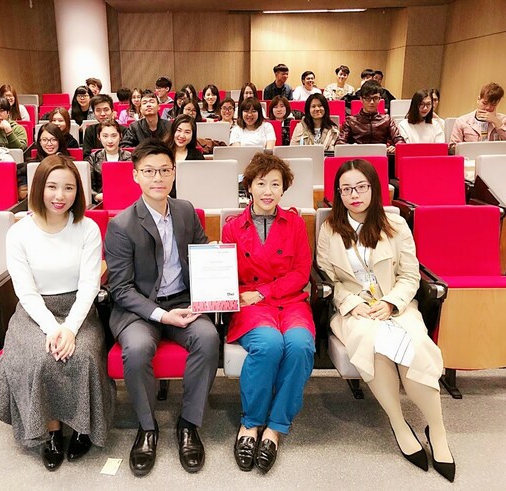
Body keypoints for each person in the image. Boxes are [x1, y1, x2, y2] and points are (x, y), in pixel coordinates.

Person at [316, 159, 455, 483]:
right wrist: (350, 303)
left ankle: (437, 428)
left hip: (396, 305)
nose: (354, 195)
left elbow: (409, 275)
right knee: (371, 344)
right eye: (347, 189)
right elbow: (327, 278)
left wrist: (392, 303)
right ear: (338, 193)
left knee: (417, 346)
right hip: (354, 310)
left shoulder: (395, 225)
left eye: (361, 187)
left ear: (373, 189)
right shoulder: (329, 229)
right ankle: (397, 421)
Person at [0, 155, 115, 471]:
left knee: (83, 355)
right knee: (41, 357)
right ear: (38, 189)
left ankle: (85, 428)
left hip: (78, 309)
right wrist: (52, 328)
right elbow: (26, 291)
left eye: (69, 188)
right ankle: (51, 432)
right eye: (52, 187)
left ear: (78, 192)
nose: (60, 196)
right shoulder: (19, 232)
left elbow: (90, 285)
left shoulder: (87, 228)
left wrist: (71, 328)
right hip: (35, 312)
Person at [104, 139, 220, 477]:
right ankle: (147, 428)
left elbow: (200, 257)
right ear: (135, 175)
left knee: (208, 338)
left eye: (165, 170)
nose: (159, 177)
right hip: (140, 309)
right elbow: (120, 288)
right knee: (138, 349)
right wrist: (161, 315)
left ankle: (188, 424)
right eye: (150, 171)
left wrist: (212, 270)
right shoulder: (121, 224)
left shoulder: (185, 210)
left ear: (174, 173)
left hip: (183, 302)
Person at [222, 153, 315, 474]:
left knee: (301, 345)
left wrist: (265, 291)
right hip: (251, 306)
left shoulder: (296, 223)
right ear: (249, 186)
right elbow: (225, 275)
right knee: (269, 345)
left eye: (275, 184)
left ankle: (275, 427)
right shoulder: (232, 227)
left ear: (283, 188)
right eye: (261, 183)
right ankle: (250, 423)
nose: (268, 190)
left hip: (289, 301)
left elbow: (302, 271)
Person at [337, 81, 405, 154]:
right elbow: (340, 143)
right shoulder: (350, 121)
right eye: (368, 98)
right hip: (357, 159)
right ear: (361, 99)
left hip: (381, 158)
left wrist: (395, 147)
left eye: (375, 98)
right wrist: (352, 147)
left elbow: (399, 140)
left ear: (380, 99)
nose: (372, 102)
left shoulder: (386, 119)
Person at [450, 82, 506, 149]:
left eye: (493, 105)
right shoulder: (462, 121)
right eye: (485, 103)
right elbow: (453, 148)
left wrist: (496, 122)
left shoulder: (504, 120)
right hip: (470, 157)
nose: (488, 108)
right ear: (478, 99)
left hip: (495, 157)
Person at [87, 119, 132, 202]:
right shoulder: (93, 158)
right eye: (105, 136)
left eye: (114, 136)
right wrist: (96, 195)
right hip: (100, 201)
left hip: (126, 200)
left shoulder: (130, 157)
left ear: (120, 136)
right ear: (99, 137)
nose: (110, 141)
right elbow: (87, 184)